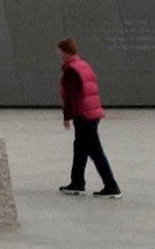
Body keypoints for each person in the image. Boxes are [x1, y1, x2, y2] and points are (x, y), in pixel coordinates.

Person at [58, 37, 122, 199]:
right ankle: (77, 183)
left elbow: (72, 96)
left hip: (83, 115)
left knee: (95, 151)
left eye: (59, 50)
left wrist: (67, 117)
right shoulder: (82, 65)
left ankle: (111, 186)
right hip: (91, 113)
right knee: (80, 148)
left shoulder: (71, 70)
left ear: (64, 52)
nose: (57, 52)